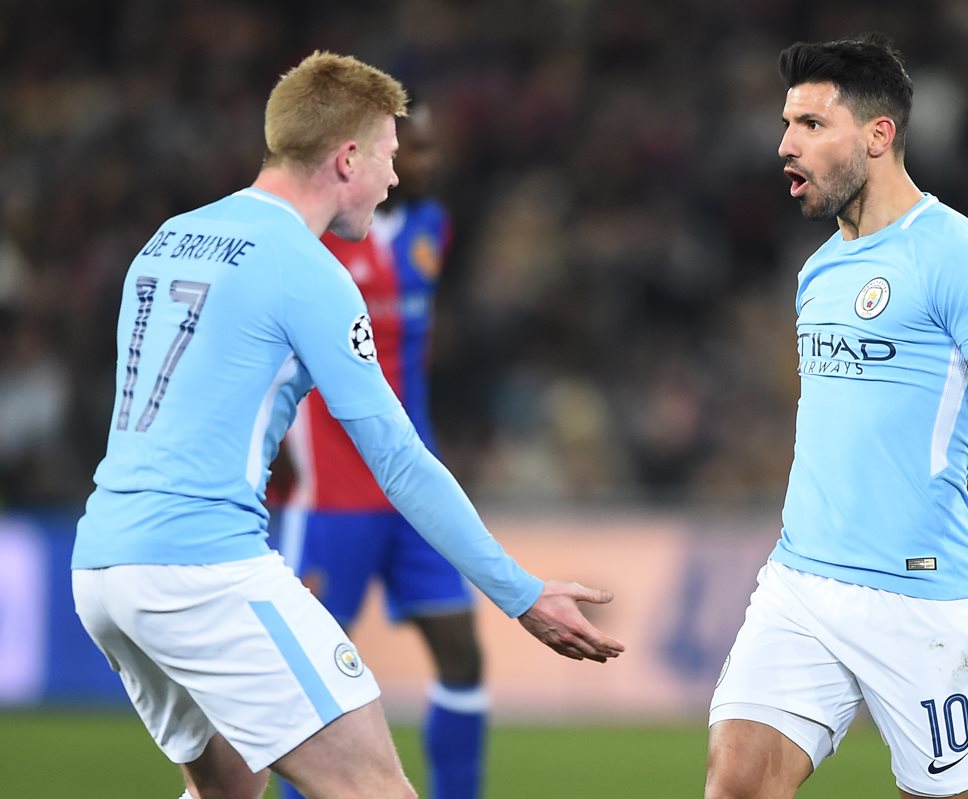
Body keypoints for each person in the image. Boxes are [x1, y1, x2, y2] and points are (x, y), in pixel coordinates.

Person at [71, 51, 624, 799]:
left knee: (226, 791)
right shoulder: (307, 269)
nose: (395, 177)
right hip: (203, 568)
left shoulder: (168, 238)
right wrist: (520, 592)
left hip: (103, 564)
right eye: (389, 155)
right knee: (377, 789)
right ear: (348, 158)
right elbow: (399, 460)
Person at [705, 34, 968, 799]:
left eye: (810, 124)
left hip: (923, 601)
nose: (785, 145)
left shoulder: (961, 256)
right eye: (786, 124)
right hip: (802, 582)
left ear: (878, 135)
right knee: (736, 782)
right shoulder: (818, 271)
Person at [274, 99, 488, 799]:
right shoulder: (316, 235)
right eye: (409, 149)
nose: (422, 163)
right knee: (307, 675)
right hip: (332, 493)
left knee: (462, 654)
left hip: (414, 487)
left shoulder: (433, 227)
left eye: (427, 150)